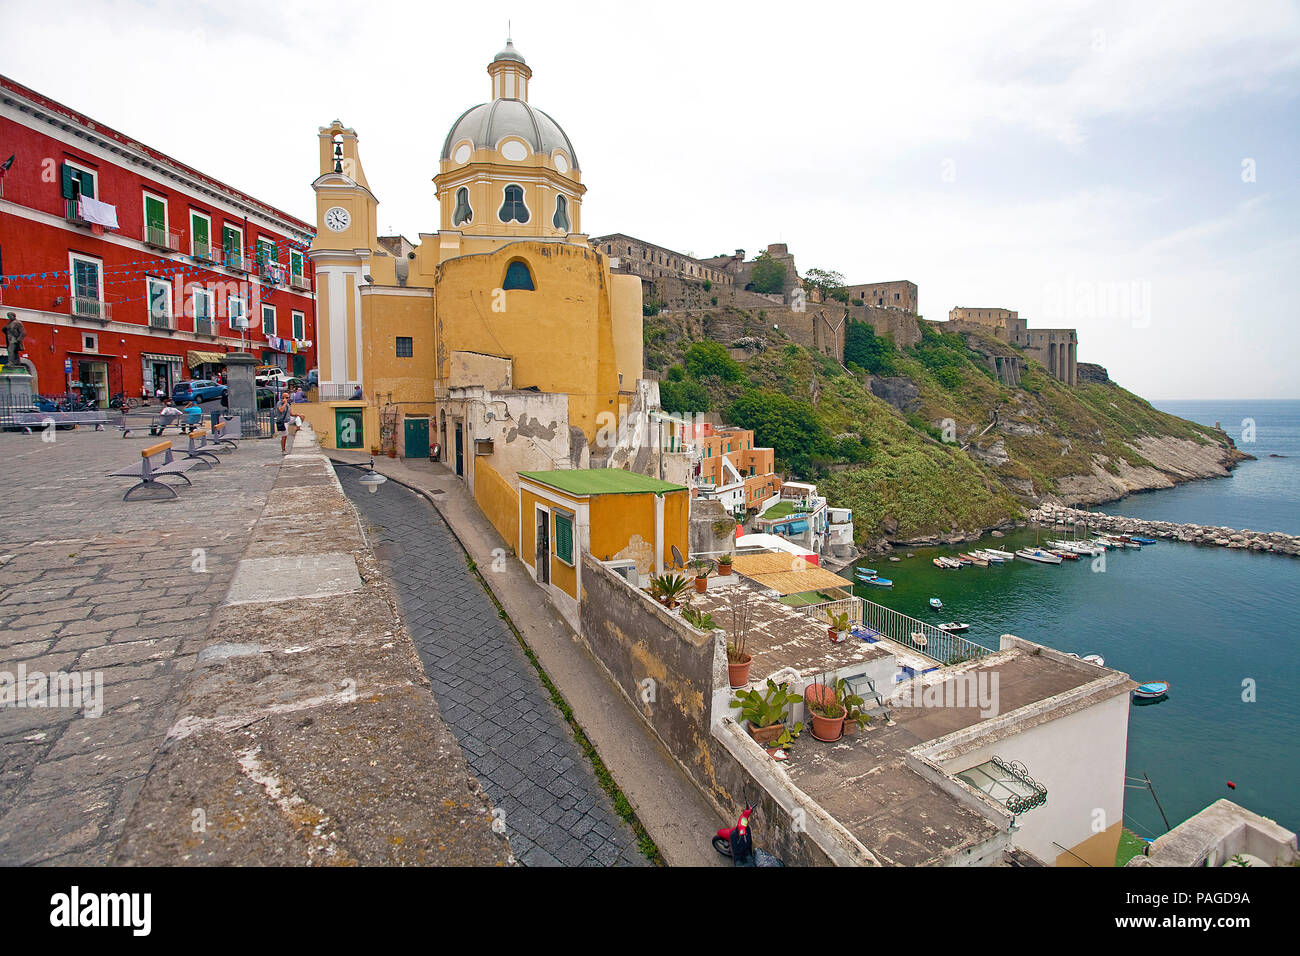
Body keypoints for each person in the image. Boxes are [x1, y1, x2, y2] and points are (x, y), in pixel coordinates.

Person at [276, 390, 294, 454]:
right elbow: (281, 410)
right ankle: (283, 449)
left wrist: (297, 415)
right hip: (283, 421)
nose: (287, 399)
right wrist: (285, 403)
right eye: (286, 398)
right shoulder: (279, 403)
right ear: (282, 398)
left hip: (288, 419)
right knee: (285, 435)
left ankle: (298, 427)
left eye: (288, 397)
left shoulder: (288, 404)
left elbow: (290, 413)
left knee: (299, 418)